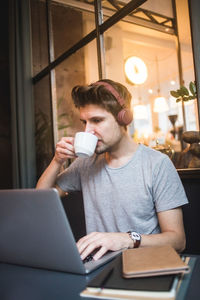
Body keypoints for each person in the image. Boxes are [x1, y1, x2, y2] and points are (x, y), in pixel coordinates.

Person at [36, 79, 188, 261]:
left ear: (124, 118)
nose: (88, 131)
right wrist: (57, 160)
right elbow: (41, 199)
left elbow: (178, 241)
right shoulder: (86, 163)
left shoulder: (157, 164)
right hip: (97, 266)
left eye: (97, 120)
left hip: (145, 265)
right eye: (84, 122)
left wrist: (126, 239)